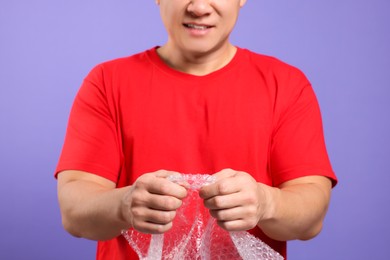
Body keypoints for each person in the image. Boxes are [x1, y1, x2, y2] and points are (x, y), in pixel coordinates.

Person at [56, 0, 337, 259]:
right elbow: (74, 212)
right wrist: (124, 204)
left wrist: (267, 203)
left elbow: (311, 217)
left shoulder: (286, 85)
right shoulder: (107, 82)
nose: (200, 7)